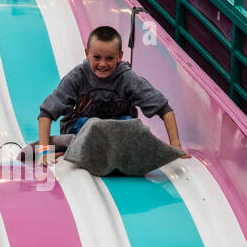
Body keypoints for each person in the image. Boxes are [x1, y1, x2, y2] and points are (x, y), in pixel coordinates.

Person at [37, 26, 189, 163]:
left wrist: (175, 146)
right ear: (87, 54)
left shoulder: (127, 77)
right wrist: (44, 152)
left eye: (109, 58)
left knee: (130, 122)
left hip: (116, 132)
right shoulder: (78, 76)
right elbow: (46, 113)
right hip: (82, 128)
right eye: (96, 57)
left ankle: (116, 151)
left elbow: (164, 108)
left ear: (119, 56)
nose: (102, 64)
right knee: (92, 124)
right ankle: (84, 149)